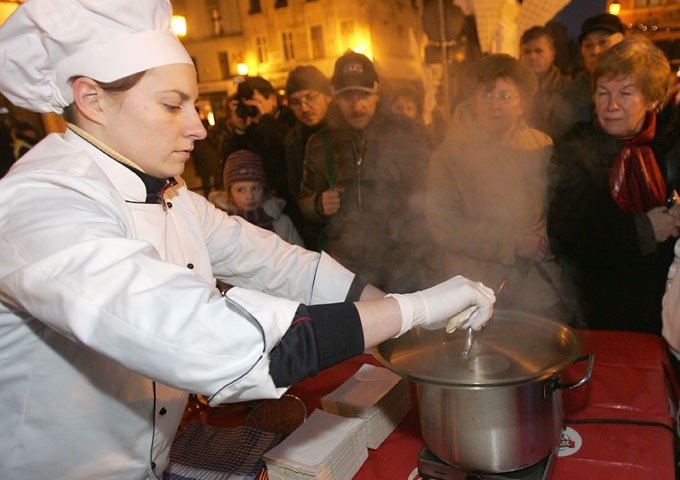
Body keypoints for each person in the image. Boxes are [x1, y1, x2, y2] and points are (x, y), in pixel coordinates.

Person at [0, 1, 496, 478]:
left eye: (193, 104)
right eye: (173, 105)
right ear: (91, 100)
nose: (196, 127)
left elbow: (277, 263)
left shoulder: (172, 197)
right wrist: (416, 309)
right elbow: (213, 340)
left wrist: (383, 303)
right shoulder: (41, 205)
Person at [548, 35, 680, 335]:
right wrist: (643, 231)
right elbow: (563, 235)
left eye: (627, 93)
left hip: (668, 311)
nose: (612, 105)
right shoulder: (575, 148)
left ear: (654, 99)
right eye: (603, 92)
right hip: (599, 314)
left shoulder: (673, 144)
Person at [425, 54, 569, 320]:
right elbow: (444, 225)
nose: (494, 105)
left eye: (505, 97)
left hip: (538, 287)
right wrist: (511, 242)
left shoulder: (542, 146)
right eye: (486, 96)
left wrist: (549, 234)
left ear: (522, 105)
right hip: (477, 287)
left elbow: (561, 206)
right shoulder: (448, 156)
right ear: (473, 101)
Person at [299, 51, 433, 292]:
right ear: (335, 98)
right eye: (347, 96)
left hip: (401, 263)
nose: (356, 105)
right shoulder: (320, 142)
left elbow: (428, 197)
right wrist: (318, 203)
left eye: (364, 95)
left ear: (377, 93)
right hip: (346, 266)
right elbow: (304, 201)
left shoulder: (407, 134)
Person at [551, 13, 625, 139]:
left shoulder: (638, 87)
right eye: (588, 45)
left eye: (603, 42)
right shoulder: (569, 95)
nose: (595, 51)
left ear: (621, 44)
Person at [283, 65, 333, 250]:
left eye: (310, 97)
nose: (304, 107)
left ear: (327, 96)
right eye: (295, 102)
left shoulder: (347, 132)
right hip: (316, 238)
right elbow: (296, 192)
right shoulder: (292, 140)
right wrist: (317, 204)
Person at [210, 149, 304, 246]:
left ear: (264, 188)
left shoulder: (281, 223)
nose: (250, 196)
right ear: (229, 192)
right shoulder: (219, 226)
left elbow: (300, 256)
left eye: (255, 188)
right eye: (240, 190)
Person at [519, 26, 571, 136]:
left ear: (552, 54)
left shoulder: (567, 88)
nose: (532, 57)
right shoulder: (514, 88)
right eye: (527, 52)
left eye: (539, 51)